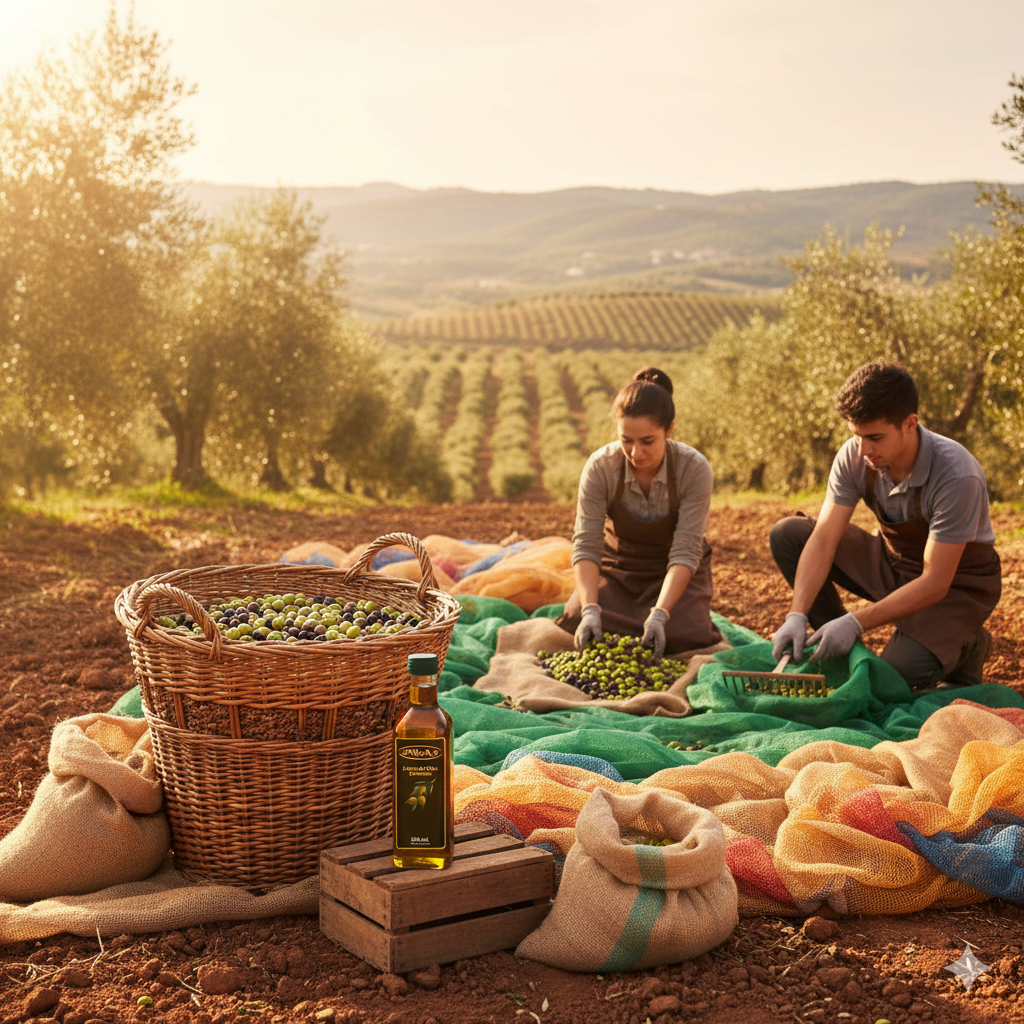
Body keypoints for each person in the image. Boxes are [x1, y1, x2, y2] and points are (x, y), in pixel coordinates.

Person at [770, 361, 1001, 690]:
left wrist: (855, 622)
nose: (863, 449)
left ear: (910, 424)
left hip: (954, 589)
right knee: (790, 535)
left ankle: (968, 645)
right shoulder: (856, 455)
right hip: (895, 564)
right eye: (856, 436)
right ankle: (837, 649)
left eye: (875, 437)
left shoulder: (956, 474)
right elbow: (823, 539)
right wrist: (797, 614)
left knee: (890, 681)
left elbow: (936, 582)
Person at [556, 367, 722, 658]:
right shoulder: (601, 467)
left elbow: (686, 550)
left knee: (685, 636)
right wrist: (590, 609)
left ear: (668, 430)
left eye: (647, 441)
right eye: (626, 441)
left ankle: (663, 618)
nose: (635, 453)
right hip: (619, 568)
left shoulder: (693, 469)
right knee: (575, 619)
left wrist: (660, 614)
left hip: (672, 570)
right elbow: (587, 544)